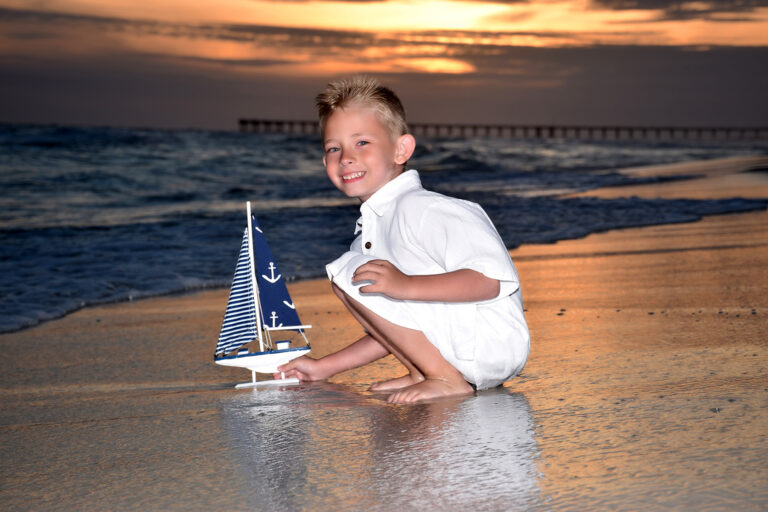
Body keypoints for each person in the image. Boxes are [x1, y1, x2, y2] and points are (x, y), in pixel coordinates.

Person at [276, 76, 529, 403]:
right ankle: (424, 370)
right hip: (465, 350)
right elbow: (397, 324)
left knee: (350, 272)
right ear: (325, 163)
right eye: (334, 148)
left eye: (362, 143)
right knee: (355, 274)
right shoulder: (370, 232)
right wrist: (324, 367)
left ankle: (443, 378)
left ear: (401, 149)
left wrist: (405, 285)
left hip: (490, 344)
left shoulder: (426, 209)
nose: (346, 157)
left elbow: (490, 282)